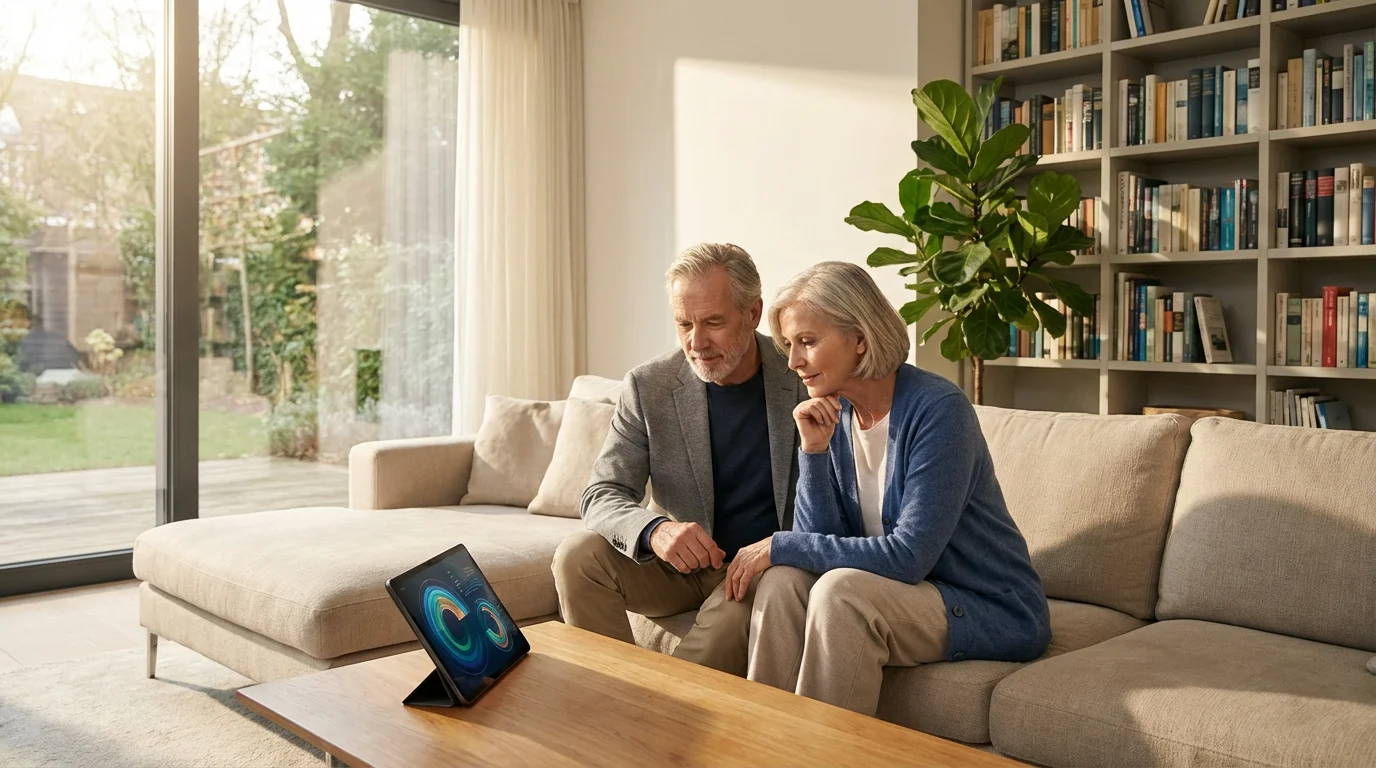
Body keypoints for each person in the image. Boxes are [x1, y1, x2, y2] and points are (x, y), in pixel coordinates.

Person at [724, 261, 1050, 715]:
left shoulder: (939, 410)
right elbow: (818, 544)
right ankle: (765, 746)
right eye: (789, 345)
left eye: (808, 342)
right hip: (897, 594)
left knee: (840, 594)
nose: (793, 361)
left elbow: (909, 557)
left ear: (860, 338)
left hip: (985, 604)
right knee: (782, 583)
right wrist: (814, 454)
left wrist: (781, 543)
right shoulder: (833, 414)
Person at [552, 243, 806, 676]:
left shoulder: (801, 375)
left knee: (724, 631)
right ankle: (611, 699)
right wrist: (655, 530)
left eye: (712, 322)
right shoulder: (649, 385)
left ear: (752, 312)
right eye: (683, 323)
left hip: (759, 568)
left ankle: (659, 723)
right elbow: (601, 494)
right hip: (676, 567)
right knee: (576, 556)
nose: (696, 342)